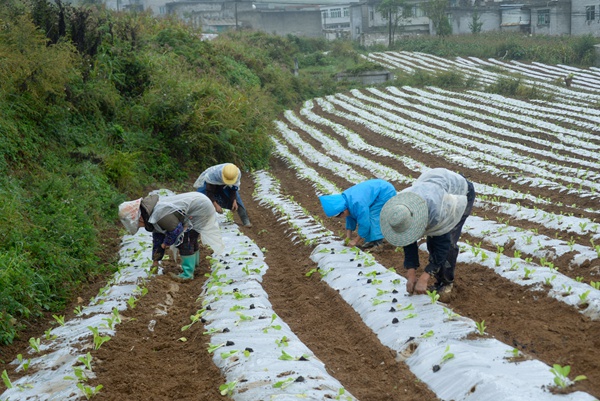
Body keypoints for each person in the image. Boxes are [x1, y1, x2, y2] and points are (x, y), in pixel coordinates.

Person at [380, 168, 476, 297]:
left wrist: (425, 276)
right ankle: (438, 277)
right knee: (433, 240)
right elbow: (408, 239)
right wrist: (411, 272)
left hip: (458, 192)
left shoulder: (438, 214)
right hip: (434, 186)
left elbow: (443, 245)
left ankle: (446, 284)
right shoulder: (401, 208)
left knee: (446, 241)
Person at [118, 192, 224, 280]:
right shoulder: (151, 216)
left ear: (140, 218)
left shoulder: (159, 215)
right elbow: (158, 238)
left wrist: (165, 244)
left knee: (185, 239)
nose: (139, 226)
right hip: (199, 203)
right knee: (191, 237)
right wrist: (155, 260)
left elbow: (176, 230)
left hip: (200, 208)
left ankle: (187, 275)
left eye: (138, 224)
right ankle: (194, 267)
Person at [319, 179, 397, 249]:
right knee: (368, 214)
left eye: (340, 215)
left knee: (373, 215)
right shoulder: (346, 203)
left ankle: (377, 244)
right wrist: (348, 238)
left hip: (385, 191)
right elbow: (350, 218)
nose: (341, 217)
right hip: (377, 191)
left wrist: (355, 241)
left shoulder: (357, 204)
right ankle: (372, 241)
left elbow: (364, 224)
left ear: (343, 210)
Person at [193, 163, 252, 228]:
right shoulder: (213, 174)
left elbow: (233, 189)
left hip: (224, 183)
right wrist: (215, 205)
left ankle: (245, 220)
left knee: (237, 200)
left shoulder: (236, 174)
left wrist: (234, 200)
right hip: (210, 183)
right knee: (201, 199)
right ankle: (196, 221)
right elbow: (209, 192)